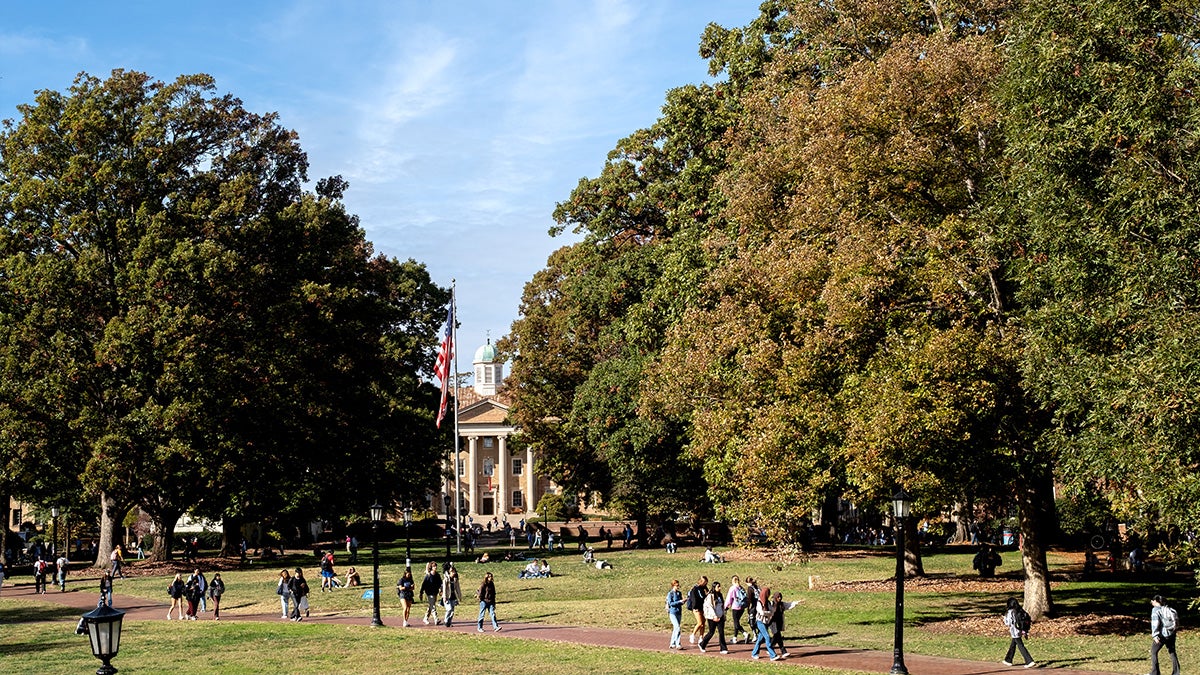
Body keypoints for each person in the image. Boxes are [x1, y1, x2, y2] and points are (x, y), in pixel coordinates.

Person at [1149, 594, 1181, 675]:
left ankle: (1155, 672)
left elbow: (1155, 623)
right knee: (1172, 652)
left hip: (1162, 635)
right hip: (1171, 634)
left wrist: (1155, 635)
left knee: (1153, 652)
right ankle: (1176, 672)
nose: (1151, 602)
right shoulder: (1168, 609)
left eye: (1152, 601)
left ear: (1155, 601)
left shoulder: (1155, 610)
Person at [1001, 597, 1036, 668]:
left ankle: (1029, 661)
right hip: (1020, 630)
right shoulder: (1020, 610)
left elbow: (1008, 623)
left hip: (1014, 631)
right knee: (1013, 644)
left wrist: (1004, 618)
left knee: (1020, 645)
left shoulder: (1010, 612)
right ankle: (1008, 660)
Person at [750, 586, 781, 661]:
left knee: (760, 639)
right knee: (767, 637)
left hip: (766, 622)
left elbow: (772, 611)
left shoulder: (768, 602)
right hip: (760, 622)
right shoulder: (759, 602)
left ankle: (754, 653)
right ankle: (772, 655)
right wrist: (769, 613)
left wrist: (769, 612)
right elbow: (761, 612)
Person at [768, 591, 802, 657]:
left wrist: (797, 602)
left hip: (779, 622)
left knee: (776, 636)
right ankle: (783, 651)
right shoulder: (771, 604)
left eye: (780, 597)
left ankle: (770, 648)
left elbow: (789, 605)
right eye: (778, 597)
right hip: (773, 622)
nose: (779, 598)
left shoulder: (782, 604)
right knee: (778, 636)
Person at [699, 580, 728, 654]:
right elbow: (710, 607)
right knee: (711, 632)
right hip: (712, 617)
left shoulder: (720, 595)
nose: (720, 588)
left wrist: (723, 615)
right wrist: (714, 616)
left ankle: (723, 648)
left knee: (721, 632)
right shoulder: (710, 596)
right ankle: (702, 644)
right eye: (718, 586)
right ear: (714, 587)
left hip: (720, 616)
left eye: (720, 586)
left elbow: (722, 606)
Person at [726, 575, 748, 643]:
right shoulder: (741, 588)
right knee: (737, 622)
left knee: (736, 623)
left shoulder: (732, 588)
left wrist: (726, 607)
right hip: (742, 607)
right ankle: (735, 638)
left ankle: (745, 633)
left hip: (735, 607)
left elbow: (729, 598)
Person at [687, 576, 708, 645]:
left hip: (703, 607)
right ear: (700, 581)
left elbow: (706, 596)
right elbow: (694, 599)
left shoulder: (704, 588)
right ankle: (693, 634)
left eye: (706, 582)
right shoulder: (695, 589)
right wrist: (695, 607)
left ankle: (701, 637)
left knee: (703, 622)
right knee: (700, 622)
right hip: (696, 608)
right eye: (704, 582)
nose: (705, 584)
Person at [666, 579, 686, 649]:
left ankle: (672, 643)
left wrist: (683, 601)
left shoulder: (679, 593)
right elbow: (671, 603)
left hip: (679, 612)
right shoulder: (670, 593)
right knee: (677, 627)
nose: (678, 587)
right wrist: (679, 601)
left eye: (678, 585)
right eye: (676, 585)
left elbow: (680, 602)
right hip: (672, 612)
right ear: (673, 585)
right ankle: (678, 644)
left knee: (675, 629)